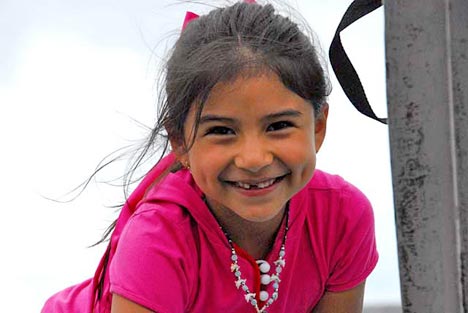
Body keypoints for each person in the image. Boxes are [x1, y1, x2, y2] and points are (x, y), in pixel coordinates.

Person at [42, 1, 378, 312]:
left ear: (318, 128)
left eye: (278, 125)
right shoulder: (158, 241)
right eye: (221, 131)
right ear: (181, 143)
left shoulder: (343, 218)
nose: (253, 158)